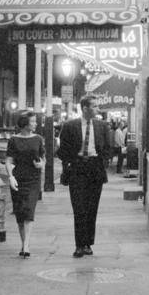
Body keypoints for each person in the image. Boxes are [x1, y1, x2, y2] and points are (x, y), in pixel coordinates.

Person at [57, 95, 112, 258]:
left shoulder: (102, 126)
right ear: (85, 108)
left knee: (92, 208)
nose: (97, 109)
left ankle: (88, 243)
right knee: (79, 208)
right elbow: (62, 150)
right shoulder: (70, 126)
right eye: (94, 106)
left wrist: (103, 161)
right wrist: (70, 162)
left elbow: (108, 147)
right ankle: (79, 245)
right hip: (77, 168)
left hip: (95, 168)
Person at [4, 111, 45, 258]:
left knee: (29, 210)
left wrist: (41, 164)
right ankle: (23, 243)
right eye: (33, 121)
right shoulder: (13, 140)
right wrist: (10, 177)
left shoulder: (38, 139)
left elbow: (43, 158)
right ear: (25, 124)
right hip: (18, 178)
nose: (36, 124)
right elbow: (9, 160)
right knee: (20, 212)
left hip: (33, 179)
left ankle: (26, 246)